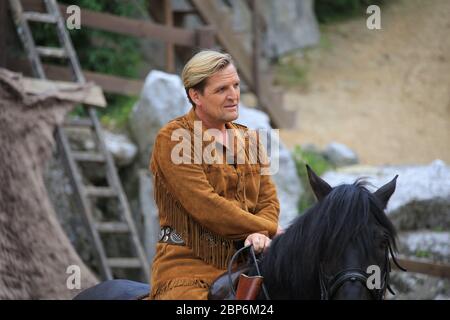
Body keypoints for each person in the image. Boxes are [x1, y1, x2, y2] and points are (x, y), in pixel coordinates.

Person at [149, 50, 280, 300]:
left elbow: (268, 200)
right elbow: (207, 206)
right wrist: (269, 228)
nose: (234, 96)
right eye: (221, 90)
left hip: (250, 260)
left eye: (236, 85)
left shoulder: (250, 139)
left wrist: (259, 234)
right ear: (195, 95)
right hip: (188, 267)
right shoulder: (174, 138)